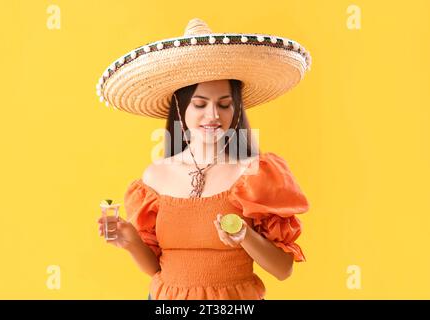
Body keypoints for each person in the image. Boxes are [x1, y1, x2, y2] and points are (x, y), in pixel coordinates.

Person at [97, 18, 311, 300]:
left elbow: (283, 270)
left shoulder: (254, 173)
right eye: (200, 104)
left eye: (224, 104)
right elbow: (156, 269)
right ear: (180, 108)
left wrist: (246, 236)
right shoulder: (153, 178)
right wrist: (131, 242)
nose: (213, 115)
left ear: (235, 110)